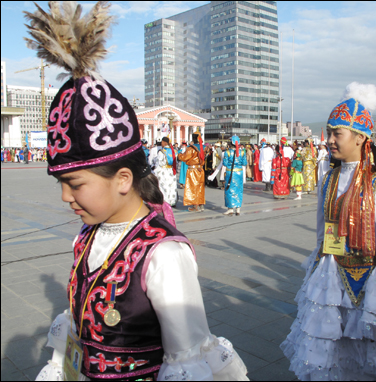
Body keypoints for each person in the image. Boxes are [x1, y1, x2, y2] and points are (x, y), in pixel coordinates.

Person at [27, 3, 248, 381]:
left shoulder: (164, 254)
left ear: (123, 179)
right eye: (61, 183)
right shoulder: (88, 236)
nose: (66, 197)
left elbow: (188, 358)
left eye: (75, 184)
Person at [281, 84, 376, 381]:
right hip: (329, 276)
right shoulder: (329, 177)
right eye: (330, 132)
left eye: (338, 133)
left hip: (365, 282)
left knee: (366, 357)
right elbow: (322, 233)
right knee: (328, 351)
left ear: (361, 138)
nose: (331, 140)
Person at [210, 135, 247, 216]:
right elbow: (244, 163)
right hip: (239, 173)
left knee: (229, 190)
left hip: (230, 173)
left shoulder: (227, 152)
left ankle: (230, 209)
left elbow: (225, 163)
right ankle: (238, 209)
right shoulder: (243, 152)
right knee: (239, 190)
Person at [178, 130, 206, 212]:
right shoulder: (203, 147)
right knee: (200, 187)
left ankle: (195, 206)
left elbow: (184, 157)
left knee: (193, 187)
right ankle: (201, 205)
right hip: (200, 169)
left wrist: (179, 155)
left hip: (193, 170)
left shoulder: (191, 148)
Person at [156, 137, 178, 207]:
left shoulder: (162, 151)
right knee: (172, 186)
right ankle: (172, 201)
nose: (161, 143)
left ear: (165, 143)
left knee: (164, 186)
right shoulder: (174, 151)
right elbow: (176, 162)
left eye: (162, 142)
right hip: (171, 170)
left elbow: (159, 162)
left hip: (163, 171)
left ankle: (165, 201)